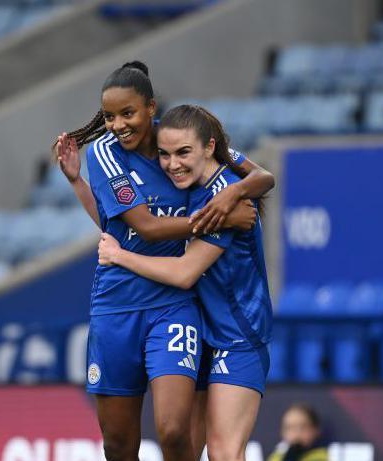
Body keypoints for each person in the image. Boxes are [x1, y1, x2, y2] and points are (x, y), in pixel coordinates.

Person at [54, 62, 275, 461]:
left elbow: (262, 175)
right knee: (118, 445)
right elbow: (137, 226)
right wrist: (76, 182)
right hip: (117, 305)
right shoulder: (104, 152)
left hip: (174, 306)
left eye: (128, 113)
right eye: (109, 116)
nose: (118, 125)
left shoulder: (179, 141)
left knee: (175, 433)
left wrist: (229, 198)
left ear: (151, 107)